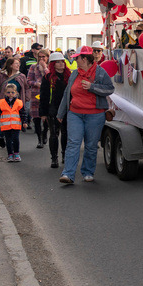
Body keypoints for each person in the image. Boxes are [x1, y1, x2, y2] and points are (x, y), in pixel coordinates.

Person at [57, 46, 115, 184]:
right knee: (73, 143)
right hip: (75, 113)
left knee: (91, 145)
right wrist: (61, 112)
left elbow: (110, 89)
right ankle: (68, 174)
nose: (75, 60)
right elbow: (67, 93)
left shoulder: (100, 73)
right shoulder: (75, 73)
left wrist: (92, 87)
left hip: (95, 115)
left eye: (77, 58)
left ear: (84, 58)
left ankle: (88, 172)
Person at [40, 52, 71, 169]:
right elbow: (43, 96)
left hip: (67, 109)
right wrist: (43, 113)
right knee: (54, 134)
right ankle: (54, 158)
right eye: (57, 62)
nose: (61, 64)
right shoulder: (48, 78)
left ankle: (64, 155)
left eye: (62, 61)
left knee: (66, 133)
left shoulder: (69, 76)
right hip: (52, 109)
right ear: (53, 64)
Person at [0, 83, 29, 162]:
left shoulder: (19, 102)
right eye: (8, 92)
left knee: (15, 139)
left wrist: (24, 122)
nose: (10, 94)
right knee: (8, 140)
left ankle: (16, 153)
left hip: (16, 125)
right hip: (6, 125)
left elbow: (23, 113)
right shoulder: (1, 102)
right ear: (5, 93)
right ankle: (10, 154)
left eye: (12, 92)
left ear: (16, 93)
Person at [27, 49, 49, 149]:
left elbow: (50, 78)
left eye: (43, 56)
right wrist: (36, 84)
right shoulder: (33, 67)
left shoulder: (50, 67)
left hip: (47, 95)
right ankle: (39, 139)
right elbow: (29, 81)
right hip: (35, 95)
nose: (41, 59)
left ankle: (45, 133)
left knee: (47, 118)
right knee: (36, 118)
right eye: (39, 57)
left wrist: (44, 68)